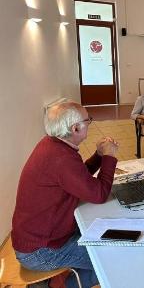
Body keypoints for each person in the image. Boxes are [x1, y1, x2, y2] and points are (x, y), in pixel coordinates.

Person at [12, 101, 119, 288]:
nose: (90, 123)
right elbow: (99, 194)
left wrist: (99, 156)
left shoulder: (53, 145)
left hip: (39, 239)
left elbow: (77, 177)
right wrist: (110, 157)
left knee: (105, 235)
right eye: (88, 120)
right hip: (41, 251)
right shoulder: (61, 158)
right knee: (109, 259)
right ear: (75, 128)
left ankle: (64, 277)